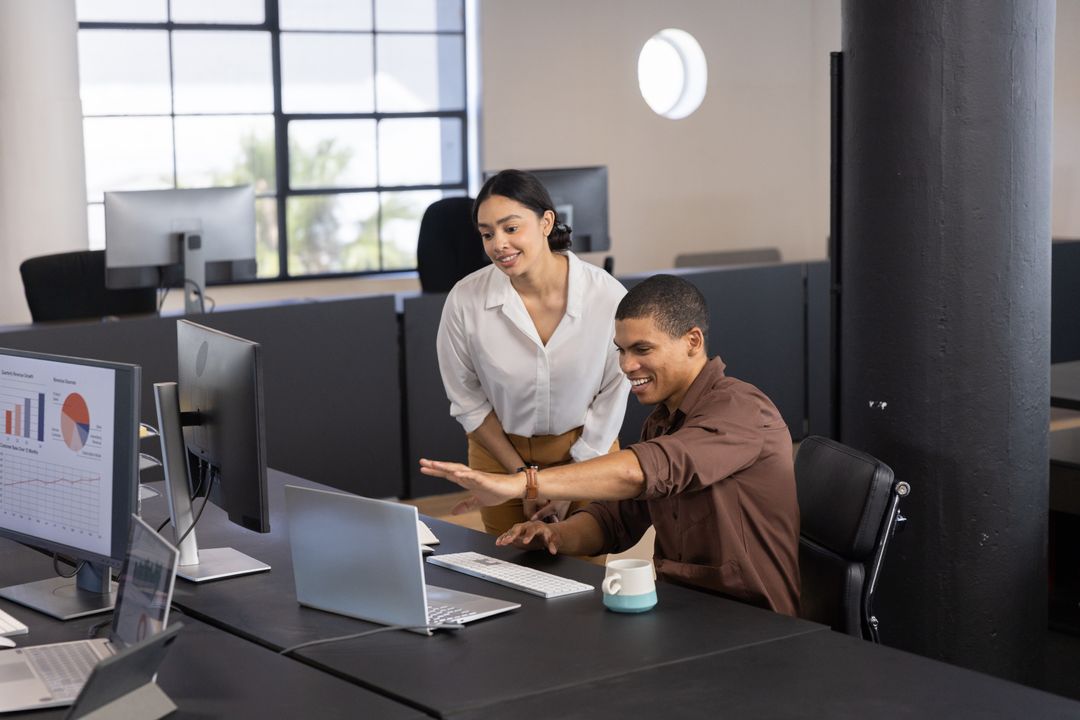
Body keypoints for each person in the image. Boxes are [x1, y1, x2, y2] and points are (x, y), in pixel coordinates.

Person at [422, 274, 800, 615]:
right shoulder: (663, 421)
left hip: (752, 623)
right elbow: (616, 521)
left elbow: (649, 469)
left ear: (692, 341)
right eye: (620, 350)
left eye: (642, 350)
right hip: (686, 612)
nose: (626, 365)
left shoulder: (742, 410)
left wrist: (524, 482)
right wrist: (554, 535)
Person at [435, 169, 630, 536]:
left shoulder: (607, 296)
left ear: (546, 222)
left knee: (585, 571)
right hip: (499, 453)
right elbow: (467, 400)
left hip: (587, 452)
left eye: (511, 228)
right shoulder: (465, 300)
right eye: (487, 234)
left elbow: (613, 395)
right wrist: (522, 479)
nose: (498, 245)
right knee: (509, 572)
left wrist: (563, 485)